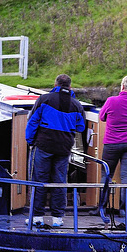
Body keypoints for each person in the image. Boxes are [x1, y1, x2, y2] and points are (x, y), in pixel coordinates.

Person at [25, 74, 86, 227]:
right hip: (64, 149)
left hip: (44, 146)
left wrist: (30, 141)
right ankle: (57, 218)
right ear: (70, 87)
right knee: (60, 181)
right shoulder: (77, 105)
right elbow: (81, 127)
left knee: (39, 180)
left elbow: (32, 121)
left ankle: (37, 217)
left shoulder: (44, 99)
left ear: (56, 84)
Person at [98, 74, 127, 216]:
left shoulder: (111, 101)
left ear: (122, 87)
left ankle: (102, 208)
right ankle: (123, 209)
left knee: (106, 174)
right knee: (126, 176)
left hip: (112, 143)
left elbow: (102, 117)